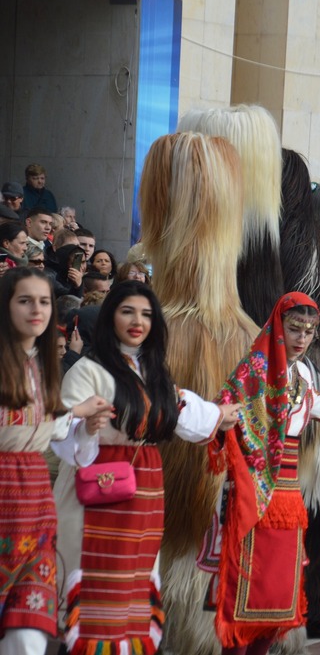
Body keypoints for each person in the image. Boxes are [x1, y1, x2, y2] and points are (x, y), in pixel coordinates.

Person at [55, 280, 243, 654]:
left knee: (135, 584)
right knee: (95, 588)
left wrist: (221, 414)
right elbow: (61, 426)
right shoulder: (89, 371)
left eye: (145, 314)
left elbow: (181, 410)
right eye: (127, 311)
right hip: (98, 492)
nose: (137, 321)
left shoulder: (154, 372)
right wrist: (86, 426)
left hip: (145, 493)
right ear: (111, 318)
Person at [205, 292, 320, 655]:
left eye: (310, 331)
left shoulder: (300, 373)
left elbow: (319, 406)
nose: (301, 338)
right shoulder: (254, 368)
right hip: (254, 494)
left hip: (287, 497)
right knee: (246, 593)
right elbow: (227, 411)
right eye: (294, 328)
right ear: (277, 326)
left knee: (278, 596)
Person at [0, 267, 112, 655]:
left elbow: (49, 428)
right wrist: (75, 411)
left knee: (28, 627)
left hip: (33, 495)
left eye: (45, 301)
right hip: (4, 488)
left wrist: (82, 419)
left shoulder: (42, 364)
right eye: (25, 300)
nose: (37, 309)